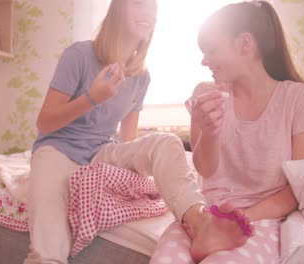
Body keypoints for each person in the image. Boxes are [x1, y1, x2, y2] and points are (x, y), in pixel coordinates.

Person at [25, 0, 242, 263]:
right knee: (48, 248)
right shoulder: (79, 55)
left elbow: (128, 140)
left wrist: (138, 174)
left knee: (166, 142)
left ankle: (199, 221)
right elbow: (45, 123)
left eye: (153, 7)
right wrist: (92, 98)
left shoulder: (141, 76)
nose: (148, 12)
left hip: (101, 153)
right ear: (118, 9)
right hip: (58, 150)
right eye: (139, 3)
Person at [150, 1, 304, 263]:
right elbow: (205, 170)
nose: (204, 60)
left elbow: (300, 189)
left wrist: (235, 221)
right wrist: (210, 131)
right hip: (206, 216)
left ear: (245, 44)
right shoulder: (206, 94)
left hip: (263, 220)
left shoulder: (300, 99)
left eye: (211, 50)